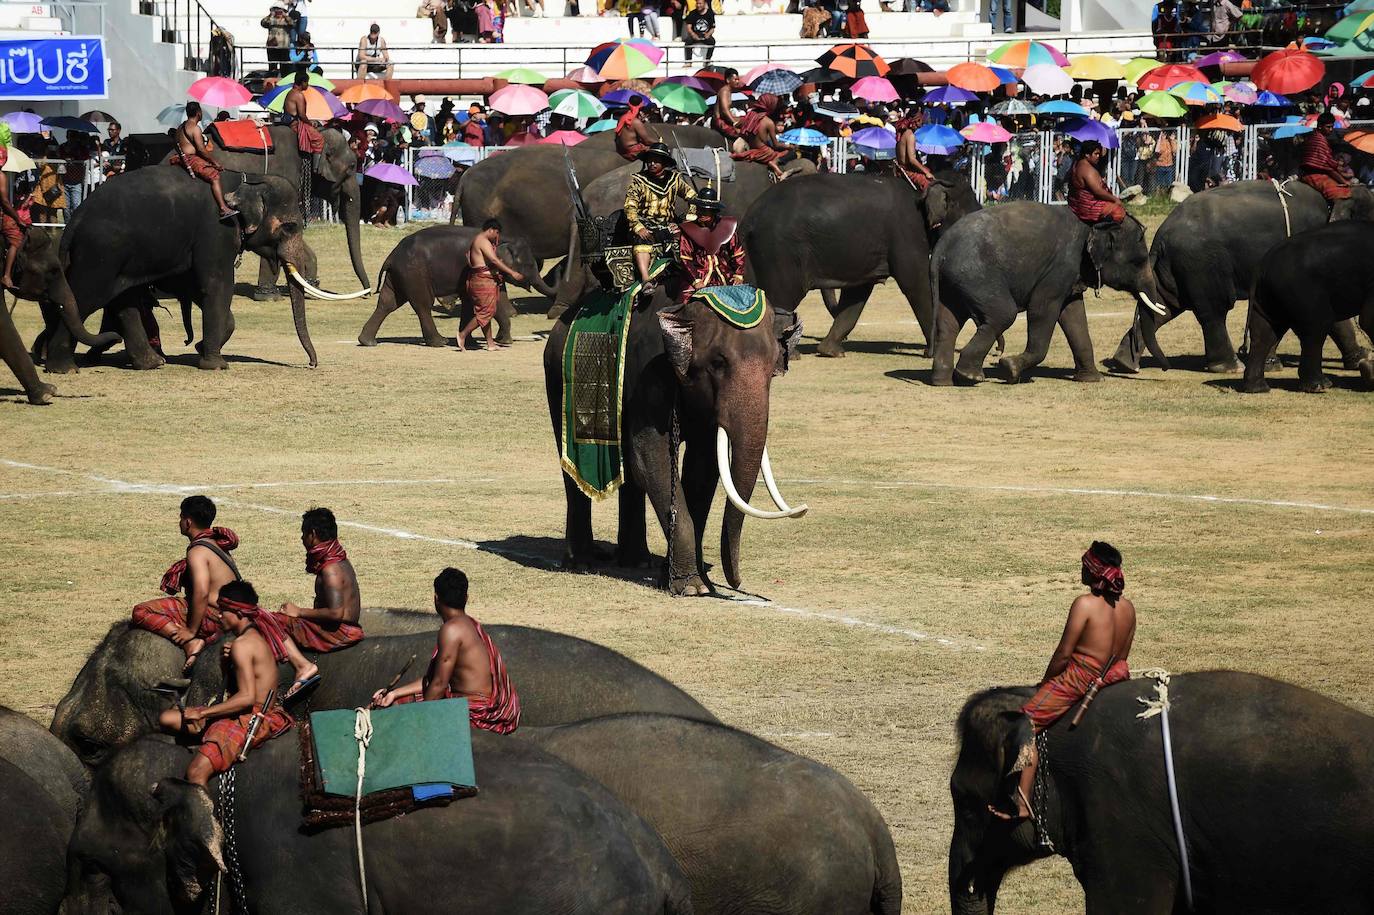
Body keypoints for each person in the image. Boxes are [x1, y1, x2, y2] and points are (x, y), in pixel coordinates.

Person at [991, 542, 1135, 822]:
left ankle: (1022, 802)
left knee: (1024, 725)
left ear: (1093, 571)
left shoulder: (1085, 604)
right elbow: (1123, 656)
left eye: (1084, 565)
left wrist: (1046, 682)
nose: (1081, 569)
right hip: (1114, 676)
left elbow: (1064, 654)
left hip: (1080, 677)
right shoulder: (1128, 608)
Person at [158, 581, 295, 786]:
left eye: (223, 611)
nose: (219, 615)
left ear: (239, 613)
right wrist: (225, 662)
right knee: (167, 717)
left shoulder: (242, 645)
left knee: (196, 772)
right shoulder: (251, 638)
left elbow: (246, 698)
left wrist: (203, 713)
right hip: (245, 709)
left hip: (252, 716)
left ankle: (206, 807)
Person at [371, 568, 521, 735]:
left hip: (476, 710)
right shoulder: (469, 623)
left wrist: (420, 719)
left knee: (398, 715)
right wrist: (394, 693)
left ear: (436, 599)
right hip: (471, 700)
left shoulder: (451, 630)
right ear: (466, 598)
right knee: (396, 701)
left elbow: (439, 684)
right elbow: (434, 680)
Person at [131, 496, 242, 672]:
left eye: (181, 517)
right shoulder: (217, 544)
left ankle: (190, 644)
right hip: (232, 613)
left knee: (141, 611)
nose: (180, 522)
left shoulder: (197, 551)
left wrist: (191, 631)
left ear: (188, 522)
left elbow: (202, 592)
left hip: (214, 615)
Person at [275, 506, 364, 656]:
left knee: (273, 621)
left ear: (313, 534)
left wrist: (299, 612)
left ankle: (302, 665)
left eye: (304, 534)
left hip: (339, 633)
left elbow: (336, 613)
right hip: (343, 628)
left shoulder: (331, 570)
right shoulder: (339, 559)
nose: (302, 538)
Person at [624, 142, 697, 294]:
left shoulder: (675, 179)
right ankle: (646, 280)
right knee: (642, 240)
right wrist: (638, 226)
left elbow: (692, 196)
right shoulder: (638, 180)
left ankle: (694, 275)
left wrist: (689, 217)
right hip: (646, 225)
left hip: (668, 224)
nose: (652, 163)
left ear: (664, 163)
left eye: (656, 160)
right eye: (650, 160)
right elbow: (630, 206)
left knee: (687, 237)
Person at [458, 218, 524, 351]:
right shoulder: (482, 241)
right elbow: (493, 260)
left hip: (483, 279)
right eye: (497, 233)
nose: (497, 237)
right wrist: (512, 272)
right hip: (482, 281)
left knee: (486, 311)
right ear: (491, 230)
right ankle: (462, 334)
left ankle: (490, 344)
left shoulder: (480, 240)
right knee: (486, 312)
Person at [672, 188, 744, 302]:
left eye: (705, 210)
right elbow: (685, 259)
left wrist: (738, 275)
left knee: (742, 299)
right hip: (698, 275)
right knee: (685, 301)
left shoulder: (727, 227)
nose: (700, 213)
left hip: (724, 274)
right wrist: (696, 280)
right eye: (699, 209)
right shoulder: (689, 230)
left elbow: (737, 253)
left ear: (713, 211)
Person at [169, 102, 238, 220]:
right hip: (190, 158)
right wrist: (214, 162)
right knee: (215, 177)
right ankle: (223, 208)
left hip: (180, 157)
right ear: (198, 113)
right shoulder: (195, 128)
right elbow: (201, 149)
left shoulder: (180, 127)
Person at [732, 93, 790, 179]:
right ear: (770, 105)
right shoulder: (769, 122)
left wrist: (744, 136)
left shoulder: (749, 115)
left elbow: (736, 126)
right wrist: (789, 146)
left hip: (752, 149)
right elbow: (776, 145)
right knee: (789, 153)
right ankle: (774, 163)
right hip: (765, 152)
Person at [1299, 112, 1352, 205]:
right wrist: (1344, 182)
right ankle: (1335, 215)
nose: (1331, 129)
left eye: (1332, 127)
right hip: (1314, 175)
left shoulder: (1314, 137)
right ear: (1320, 126)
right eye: (1328, 127)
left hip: (1313, 173)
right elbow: (1327, 168)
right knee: (1342, 194)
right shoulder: (1319, 141)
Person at [1067, 140, 1125, 224]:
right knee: (1118, 212)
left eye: (1099, 154)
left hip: (1075, 203)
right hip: (1087, 206)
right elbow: (1098, 191)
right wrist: (1115, 199)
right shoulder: (1087, 169)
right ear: (1087, 155)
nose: (1098, 156)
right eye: (1096, 154)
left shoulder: (1077, 164)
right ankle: (1101, 230)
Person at [282, 70, 325, 169]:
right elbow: (302, 115)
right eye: (307, 82)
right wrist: (310, 123)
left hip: (291, 121)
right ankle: (315, 169)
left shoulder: (290, 92)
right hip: (295, 124)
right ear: (303, 82)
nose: (308, 85)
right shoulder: (299, 95)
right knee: (319, 139)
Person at [0, 146, 29, 291]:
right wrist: (18, 219)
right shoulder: (1, 176)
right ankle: (6, 275)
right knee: (16, 238)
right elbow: (5, 202)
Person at [894, 109, 935, 189]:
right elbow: (912, 160)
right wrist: (926, 173)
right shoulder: (910, 135)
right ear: (915, 121)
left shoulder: (902, 133)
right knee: (930, 183)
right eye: (919, 120)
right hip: (907, 171)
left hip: (901, 169)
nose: (921, 123)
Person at [614, 95, 658, 161]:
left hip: (621, 150)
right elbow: (647, 141)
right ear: (640, 107)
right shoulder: (636, 122)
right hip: (632, 151)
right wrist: (660, 143)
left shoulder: (622, 117)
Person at [58, 132, 92, 214]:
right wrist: (66, 155)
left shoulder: (81, 148)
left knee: (76, 206)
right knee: (66, 207)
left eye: (73, 136)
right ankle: (67, 222)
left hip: (77, 181)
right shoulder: (63, 146)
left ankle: (75, 222)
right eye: (70, 136)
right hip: (64, 179)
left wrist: (74, 156)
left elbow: (85, 156)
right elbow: (59, 155)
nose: (71, 139)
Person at [261, 3, 293, 76]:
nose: (278, 12)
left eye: (280, 10)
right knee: (272, 67)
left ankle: (284, 80)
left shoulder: (287, 20)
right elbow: (263, 23)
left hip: (284, 46)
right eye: (276, 10)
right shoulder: (270, 19)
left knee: (285, 67)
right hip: (272, 46)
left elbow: (292, 24)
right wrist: (270, 15)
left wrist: (285, 16)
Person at [712, 69, 744, 140]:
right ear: (728, 80)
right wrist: (734, 123)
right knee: (742, 134)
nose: (737, 82)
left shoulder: (729, 91)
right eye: (735, 79)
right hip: (720, 122)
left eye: (738, 79)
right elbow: (725, 110)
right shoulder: (725, 91)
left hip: (724, 120)